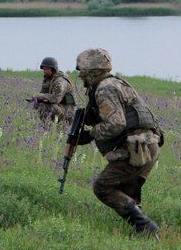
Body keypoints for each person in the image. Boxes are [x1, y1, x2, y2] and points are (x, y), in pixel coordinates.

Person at [74, 48, 162, 237]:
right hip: (148, 144)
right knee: (128, 190)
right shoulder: (116, 83)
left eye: (82, 70)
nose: (80, 74)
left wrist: (91, 134)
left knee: (102, 187)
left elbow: (116, 123)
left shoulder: (105, 88)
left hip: (137, 147)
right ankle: (145, 236)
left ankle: (146, 227)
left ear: (94, 71)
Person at [31, 56, 75, 122]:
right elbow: (43, 93)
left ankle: (50, 126)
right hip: (61, 107)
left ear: (53, 69)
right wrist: (37, 99)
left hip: (67, 112)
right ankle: (46, 126)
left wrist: (39, 96)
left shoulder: (60, 81)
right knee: (38, 103)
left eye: (46, 69)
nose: (44, 71)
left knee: (47, 106)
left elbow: (56, 98)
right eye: (43, 69)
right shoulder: (49, 79)